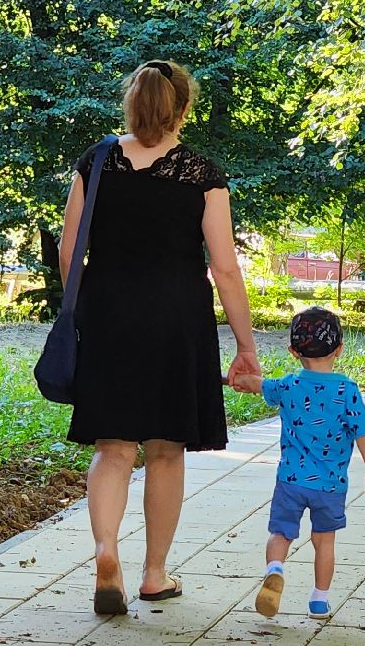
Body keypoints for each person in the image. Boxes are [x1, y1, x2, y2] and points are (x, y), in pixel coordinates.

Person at [60, 60, 260, 616]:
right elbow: (225, 268)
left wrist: (85, 312)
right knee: (166, 450)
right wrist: (245, 346)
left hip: (109, 315)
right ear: (183, 109)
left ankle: (106, 552)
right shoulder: (202, 174)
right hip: (177, 319)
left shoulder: (96, 162)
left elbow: (70, 250)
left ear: (132, 102)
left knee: (113, 447)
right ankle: (153, 575)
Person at [230, 307, 365, 619]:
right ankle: (319, 600)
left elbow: (258, 384)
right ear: (339, 349)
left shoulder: (287, 386)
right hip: (330, 485)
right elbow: (362, 433)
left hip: (291, 480)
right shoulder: (347, 390)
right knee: (324, 541)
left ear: (293, 351)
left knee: (281, 533)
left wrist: (240, 379)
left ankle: (275, 568)